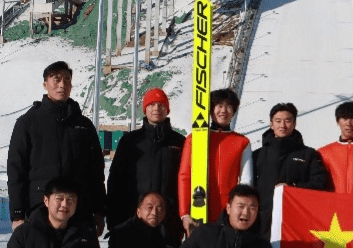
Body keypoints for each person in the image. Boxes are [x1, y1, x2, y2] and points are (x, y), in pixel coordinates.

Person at [7, 61, 105, 235]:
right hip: (39, 209)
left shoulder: (84, 125)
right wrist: (17, 214)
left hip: (79, 211)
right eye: (56, 79)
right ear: (45, 84)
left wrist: (99, 211)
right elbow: (16, 171)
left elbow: (96, 172)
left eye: (67, 79)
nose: (62, 84)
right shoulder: (28, 122)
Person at [107, 87, 186, 235]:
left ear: (167, 109)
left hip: (168, 223)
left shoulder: (180, 142)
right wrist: (113, 219)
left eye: (161, 105)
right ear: (144, 109)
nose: (157, 108)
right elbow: (115, 182)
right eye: (152, 104)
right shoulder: (130, 141)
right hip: (132, 220)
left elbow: (186, 181)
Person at [178, 88, 253, 236]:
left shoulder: (242, 142)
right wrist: (184, 214)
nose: (223, 110)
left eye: (229, 106)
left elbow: (246, 181)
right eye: (219, 105)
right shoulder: (194, 139)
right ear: (211, 110)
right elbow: (185, 176)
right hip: (198, 210)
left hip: (228, 213)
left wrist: (240, 212)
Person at [253, 103, 329, 237]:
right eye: (278, 121)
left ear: (294, 124)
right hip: (263, 221)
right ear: (271, 124)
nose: (282, 125)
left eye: (287, 121)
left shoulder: (309, 154)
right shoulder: (257, 155)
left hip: (297, 220)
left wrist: (292, 188)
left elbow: (320, 184)